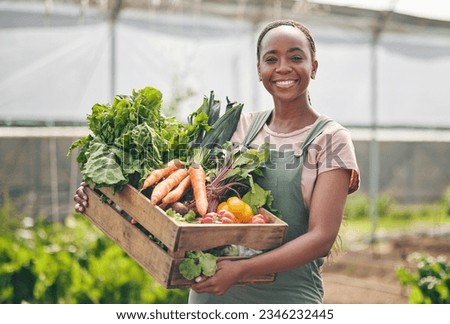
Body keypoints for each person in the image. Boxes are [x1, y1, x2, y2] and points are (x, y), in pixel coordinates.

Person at [74, 19, 359, 304]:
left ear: (314, 66)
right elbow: (183, 194)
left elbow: (321, 239)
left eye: (296, 57)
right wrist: (106, 196)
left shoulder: (331, 139)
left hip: (286, 299)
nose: (283, 67)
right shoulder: (241, 127)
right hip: (210, 294)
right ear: (260, 71)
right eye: (271, 59)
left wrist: (241, 269)